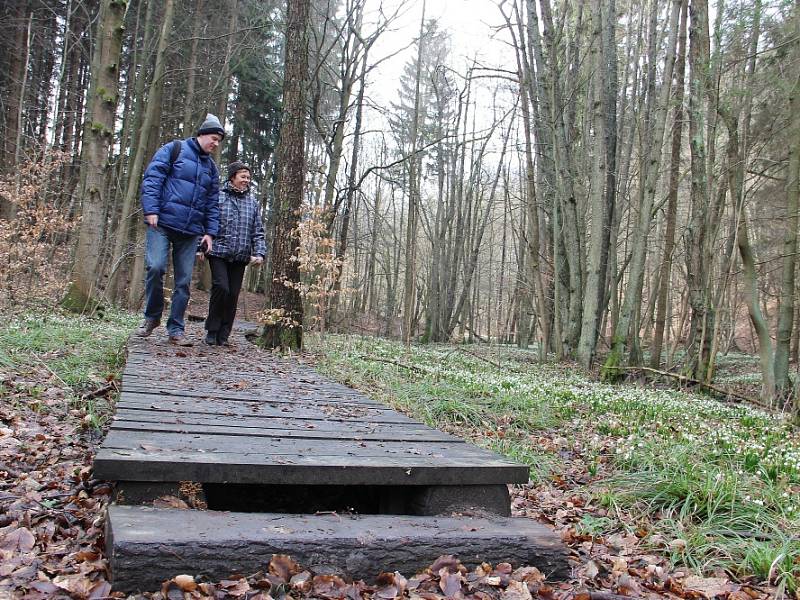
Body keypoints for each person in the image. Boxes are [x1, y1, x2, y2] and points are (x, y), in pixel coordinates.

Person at [135, 114, 224, 346]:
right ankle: (152, 317)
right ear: (202, 134)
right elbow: (153, 179)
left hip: (191, 231)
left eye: (219, 141)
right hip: (161, 223)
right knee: (155, 267)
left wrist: (209, 233)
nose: (215, 144)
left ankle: (176, 329)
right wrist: (151, 210)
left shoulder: (212, 170)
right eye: (213, 138)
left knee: (183, 282)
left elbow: (212, 204)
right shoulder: (174, 149)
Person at [200, 161, 266, 346]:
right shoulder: (218, 197)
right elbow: (206, 222)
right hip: (218, 251)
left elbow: (258, 230)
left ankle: (224, 334)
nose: (246, 180)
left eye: (248, 178)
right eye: (243, 177)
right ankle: (212, 330)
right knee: (221, 287)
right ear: (232, 177)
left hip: (241, 255)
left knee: (233, 294)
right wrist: (201, 247)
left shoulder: (252, 202)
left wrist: (260, 252)